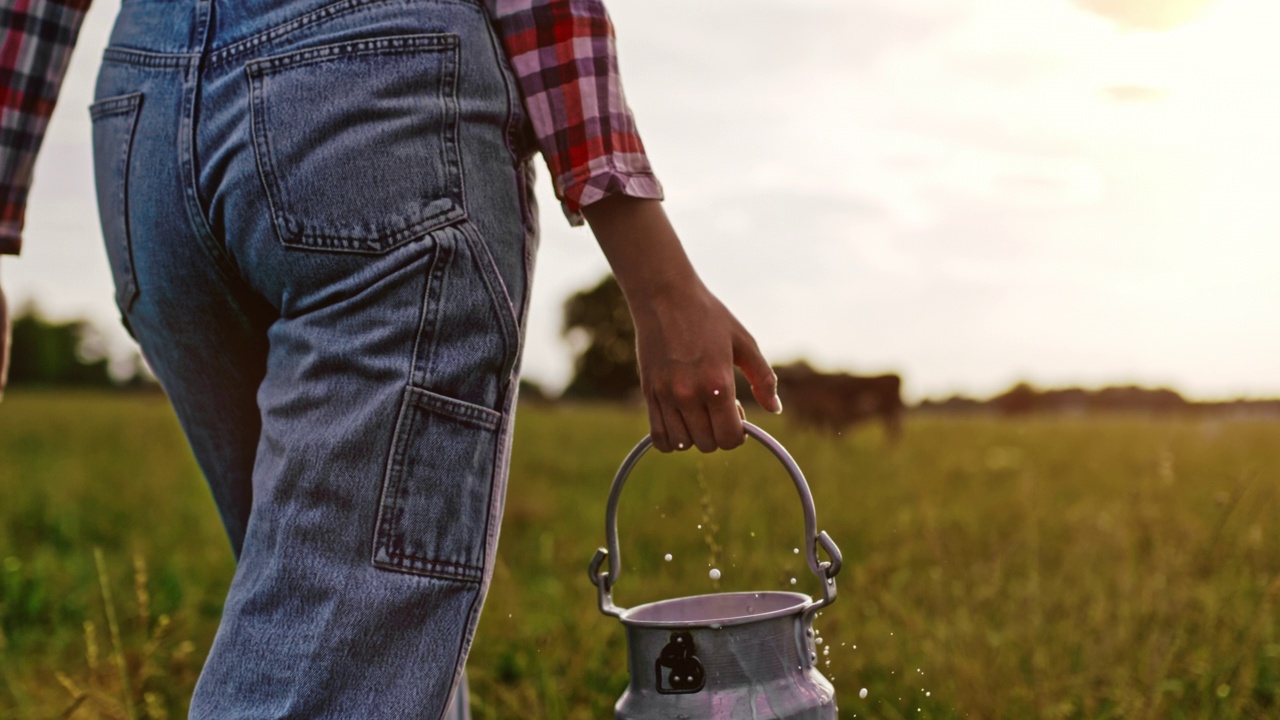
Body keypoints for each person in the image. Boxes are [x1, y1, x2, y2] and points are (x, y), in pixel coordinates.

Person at [0, 0, 782, 716]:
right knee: (328, 657)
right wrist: (658, 281)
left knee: (353, 633)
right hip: (372, 91)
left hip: (145, 117)